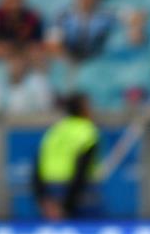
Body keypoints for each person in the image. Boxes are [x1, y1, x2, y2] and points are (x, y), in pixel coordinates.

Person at [32, 93, 100, 221]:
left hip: (50, 192)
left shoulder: (54, 131)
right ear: (83, 109)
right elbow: (81, 171)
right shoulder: (87, 131)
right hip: (77, 193)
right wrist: (66, 206)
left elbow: (36, 167)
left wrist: (43, 200)